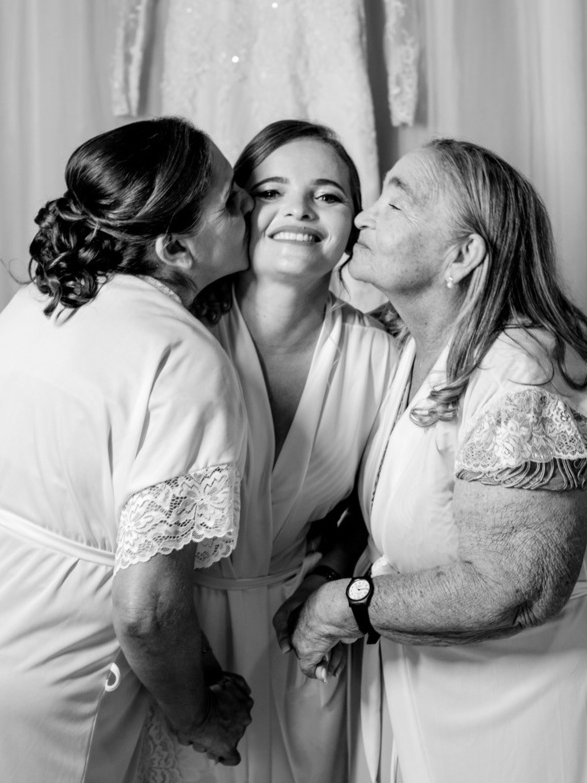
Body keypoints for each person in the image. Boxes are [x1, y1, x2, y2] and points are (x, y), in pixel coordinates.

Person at [0, 117, 256, 783]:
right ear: (174, 247)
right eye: (230, 200)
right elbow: (147, 610)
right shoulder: (186, 358)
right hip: (24, 689)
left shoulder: (40, 301)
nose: (249, 201)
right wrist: (198, 717)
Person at [289, 139, 587, 782]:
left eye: (396, 203)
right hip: (441, 690)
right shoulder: (409, 345)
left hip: (536, 702)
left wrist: (344, 605)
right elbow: (396, 496)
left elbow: (516, 587)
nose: (362, 216)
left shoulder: (521, 376)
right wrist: (334, 564)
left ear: (462, 255)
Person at [137, 120, 398, 782]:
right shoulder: (176, 334)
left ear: (354, 222)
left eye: (327, 195)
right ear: (238, 212)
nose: (299, 211)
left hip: (298, 634)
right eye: (272, 191)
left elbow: (383, 499)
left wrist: (327, 574)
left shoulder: (383, 357)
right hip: (175, 636)